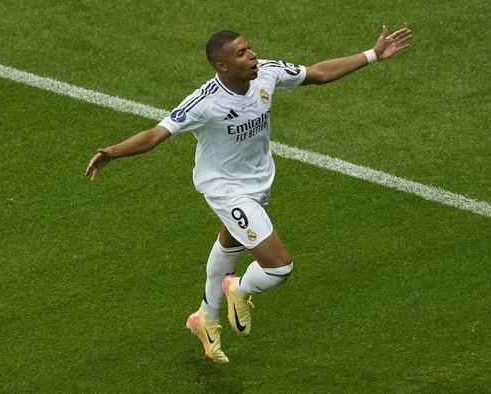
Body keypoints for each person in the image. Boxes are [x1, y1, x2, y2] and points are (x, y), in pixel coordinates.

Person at [85, 25, 412, 363]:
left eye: (249, 48)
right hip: (225, 189)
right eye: (241, 53)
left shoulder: (267, 74)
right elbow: (156, 134)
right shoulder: (205, 102)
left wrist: (373, 54)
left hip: (258, 181)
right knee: (279, 268)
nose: (252, 55)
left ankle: (204, 319)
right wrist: (113, 151)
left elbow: (318, 73)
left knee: (230, 244)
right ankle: (238, 288)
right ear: (222, 67)